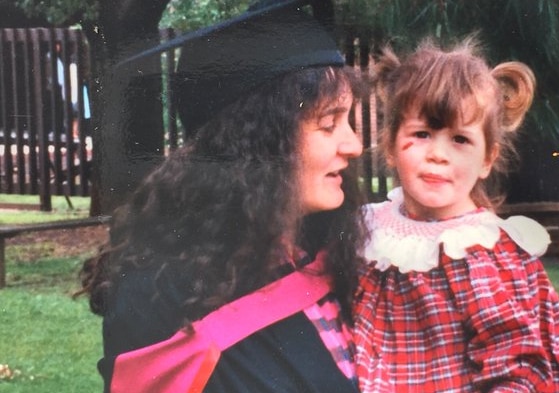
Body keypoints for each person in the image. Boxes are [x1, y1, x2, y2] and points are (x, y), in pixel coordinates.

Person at [78, 1, 367, 392]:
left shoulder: (335, 255)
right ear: (259, 141)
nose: (353, 145)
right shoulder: (160, 295)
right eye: (329, 124)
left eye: (349, 121)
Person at [352, 38, 559, 392]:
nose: (438, 154)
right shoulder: (369, 230)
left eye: (460, 140)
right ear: (390, 147)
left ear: (487, 159)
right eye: (421, 134)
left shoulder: (484, 251)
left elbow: (516, 365)